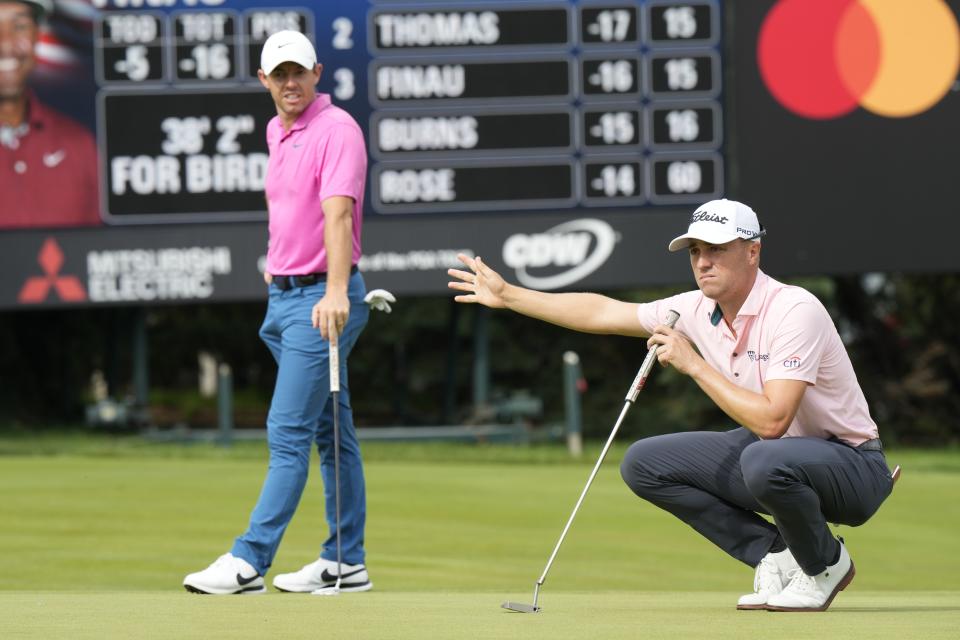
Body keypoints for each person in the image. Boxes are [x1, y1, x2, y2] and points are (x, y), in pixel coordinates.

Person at [447, 198, 896, 612]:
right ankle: (775, 554)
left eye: (717, 249)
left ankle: (823, 565)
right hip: (778, 459)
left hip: (853, 467)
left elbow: (774, 419)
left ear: (753, 252)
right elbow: (603, 313)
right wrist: (510, 296)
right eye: (695, 251)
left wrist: (694, 365)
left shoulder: (795, 309)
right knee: (644, 463)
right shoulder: (697, 307)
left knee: (762, 454)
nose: (703, 262)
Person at [184, 30, 372, 595]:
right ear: (264, 80)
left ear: (317, 72)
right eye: (278, 74)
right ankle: (346, 560)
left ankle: (249, 560)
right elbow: (294, 209)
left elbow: (338, 216)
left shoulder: (337, 130)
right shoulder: (278, 129)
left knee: (286, 432)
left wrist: (336, 290)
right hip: (284, 297)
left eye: (299, 72)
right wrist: (279, 260)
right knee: (331, 435)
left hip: (321, 303)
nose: (290, 83)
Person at [0, 0, 99, 228]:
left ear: (37, 36)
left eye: (19, 26)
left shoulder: (79, 144)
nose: (5, 43)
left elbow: (96, 252)